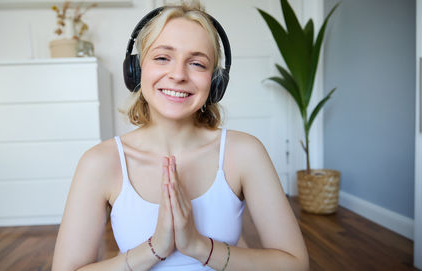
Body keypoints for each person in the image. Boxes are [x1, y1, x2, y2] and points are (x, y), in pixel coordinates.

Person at [52, 2, 308, 270]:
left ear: (215, 82)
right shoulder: (100, 162)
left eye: (197, 63)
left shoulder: (245, 153)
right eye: (162, 57)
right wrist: (155, 249)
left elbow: (295, 264)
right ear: (137, 70)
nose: (178, 75)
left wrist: (199, 246)